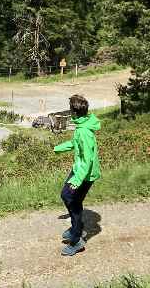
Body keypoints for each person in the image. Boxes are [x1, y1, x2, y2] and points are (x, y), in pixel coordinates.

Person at [53, 94, 101, 256]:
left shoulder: (84, 132)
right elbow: (75, 144)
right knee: (73, 199)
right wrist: (59, 148)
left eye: (70, 110)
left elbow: (87, 160)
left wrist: (78, 179)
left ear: (73, 112)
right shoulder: (83, 124)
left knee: (69, 197)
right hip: (80, 169)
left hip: (85, 173)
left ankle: (76, 240)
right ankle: (76, 228)